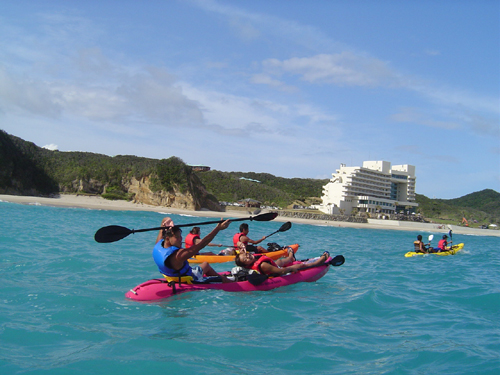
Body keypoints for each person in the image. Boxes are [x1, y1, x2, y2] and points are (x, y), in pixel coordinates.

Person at [153, 216, 232, 283]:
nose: (181, 239)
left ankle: (217, 277)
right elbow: (202, 244)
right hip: (189, 279)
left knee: (206, 265)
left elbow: (163, 224)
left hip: (172, 276)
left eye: (180, 236)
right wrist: (218, 228)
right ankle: (226, 281)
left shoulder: (159, 244)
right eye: (177, 237)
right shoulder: (178, 255)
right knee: (223, 279)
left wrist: (167, 221)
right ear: (167, 238)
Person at [235, 247, 330, 276]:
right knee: (300, 265)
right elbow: (281, 271)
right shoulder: (263, 265)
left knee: (280, 261)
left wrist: (243, 253)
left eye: (246, 254)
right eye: (245, 259)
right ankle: (319, 261)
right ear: (246, 264)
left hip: (273, 267)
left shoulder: (252, 259)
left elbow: (246, 255)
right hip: (277, 273)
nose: (247, 256)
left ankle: (290, 257)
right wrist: (292, 269)